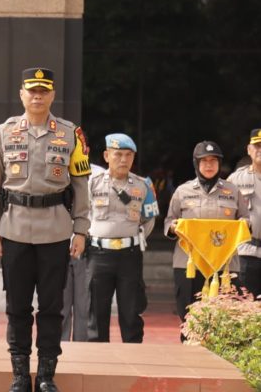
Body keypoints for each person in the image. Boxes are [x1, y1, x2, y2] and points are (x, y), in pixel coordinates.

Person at [0, 67, 91, 392]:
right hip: (14, 230)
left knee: (51, 307)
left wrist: (82, 230)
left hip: (55, 231)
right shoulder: (3, 133)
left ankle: (45, 374)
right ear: (22, 94)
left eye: (44, 91)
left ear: (53, 95)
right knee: (17, 307)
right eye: (32, 90)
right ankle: (19, 373)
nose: (37, 96)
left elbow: (82, 186)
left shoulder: (71, 134)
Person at [164, 141, 248, 340]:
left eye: (213, 161)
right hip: (189, 264)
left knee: (224, 319)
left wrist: (244, 225)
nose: (209, 165)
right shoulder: (183, 191)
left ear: (220, 164)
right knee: (188, 317)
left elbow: (245, 219)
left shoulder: (233, 191)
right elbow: (168, 221)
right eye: (204, 161)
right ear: (196, 164)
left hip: (225, 265)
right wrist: (174, 226)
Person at [85, 134, 158, 343]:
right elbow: (80, 214)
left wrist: (132, 238)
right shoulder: (92, 183)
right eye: (118, 154)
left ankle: (133, 357)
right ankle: (98, 361)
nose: (123, 160)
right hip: (98, 254)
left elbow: (149, 220)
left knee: (131, 311)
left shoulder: (144, 185)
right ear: (107, 156)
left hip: (129, 255)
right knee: (97, 312)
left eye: (128, 155)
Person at [60, 164, 104, 342]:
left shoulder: (98, 174)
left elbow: (97, 211)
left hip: (87, 247)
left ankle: (83, 349)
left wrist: (84, 233)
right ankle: (57, 349)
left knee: (84, 305)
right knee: (59, 306)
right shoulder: (54, 167)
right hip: (57, 244)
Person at [226, 129, 261, 299]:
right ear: (249, 149)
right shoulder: (236, 179)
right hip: (247, 252)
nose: (260, 149)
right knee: (246, 307)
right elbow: (224, 214)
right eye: (257, 146)